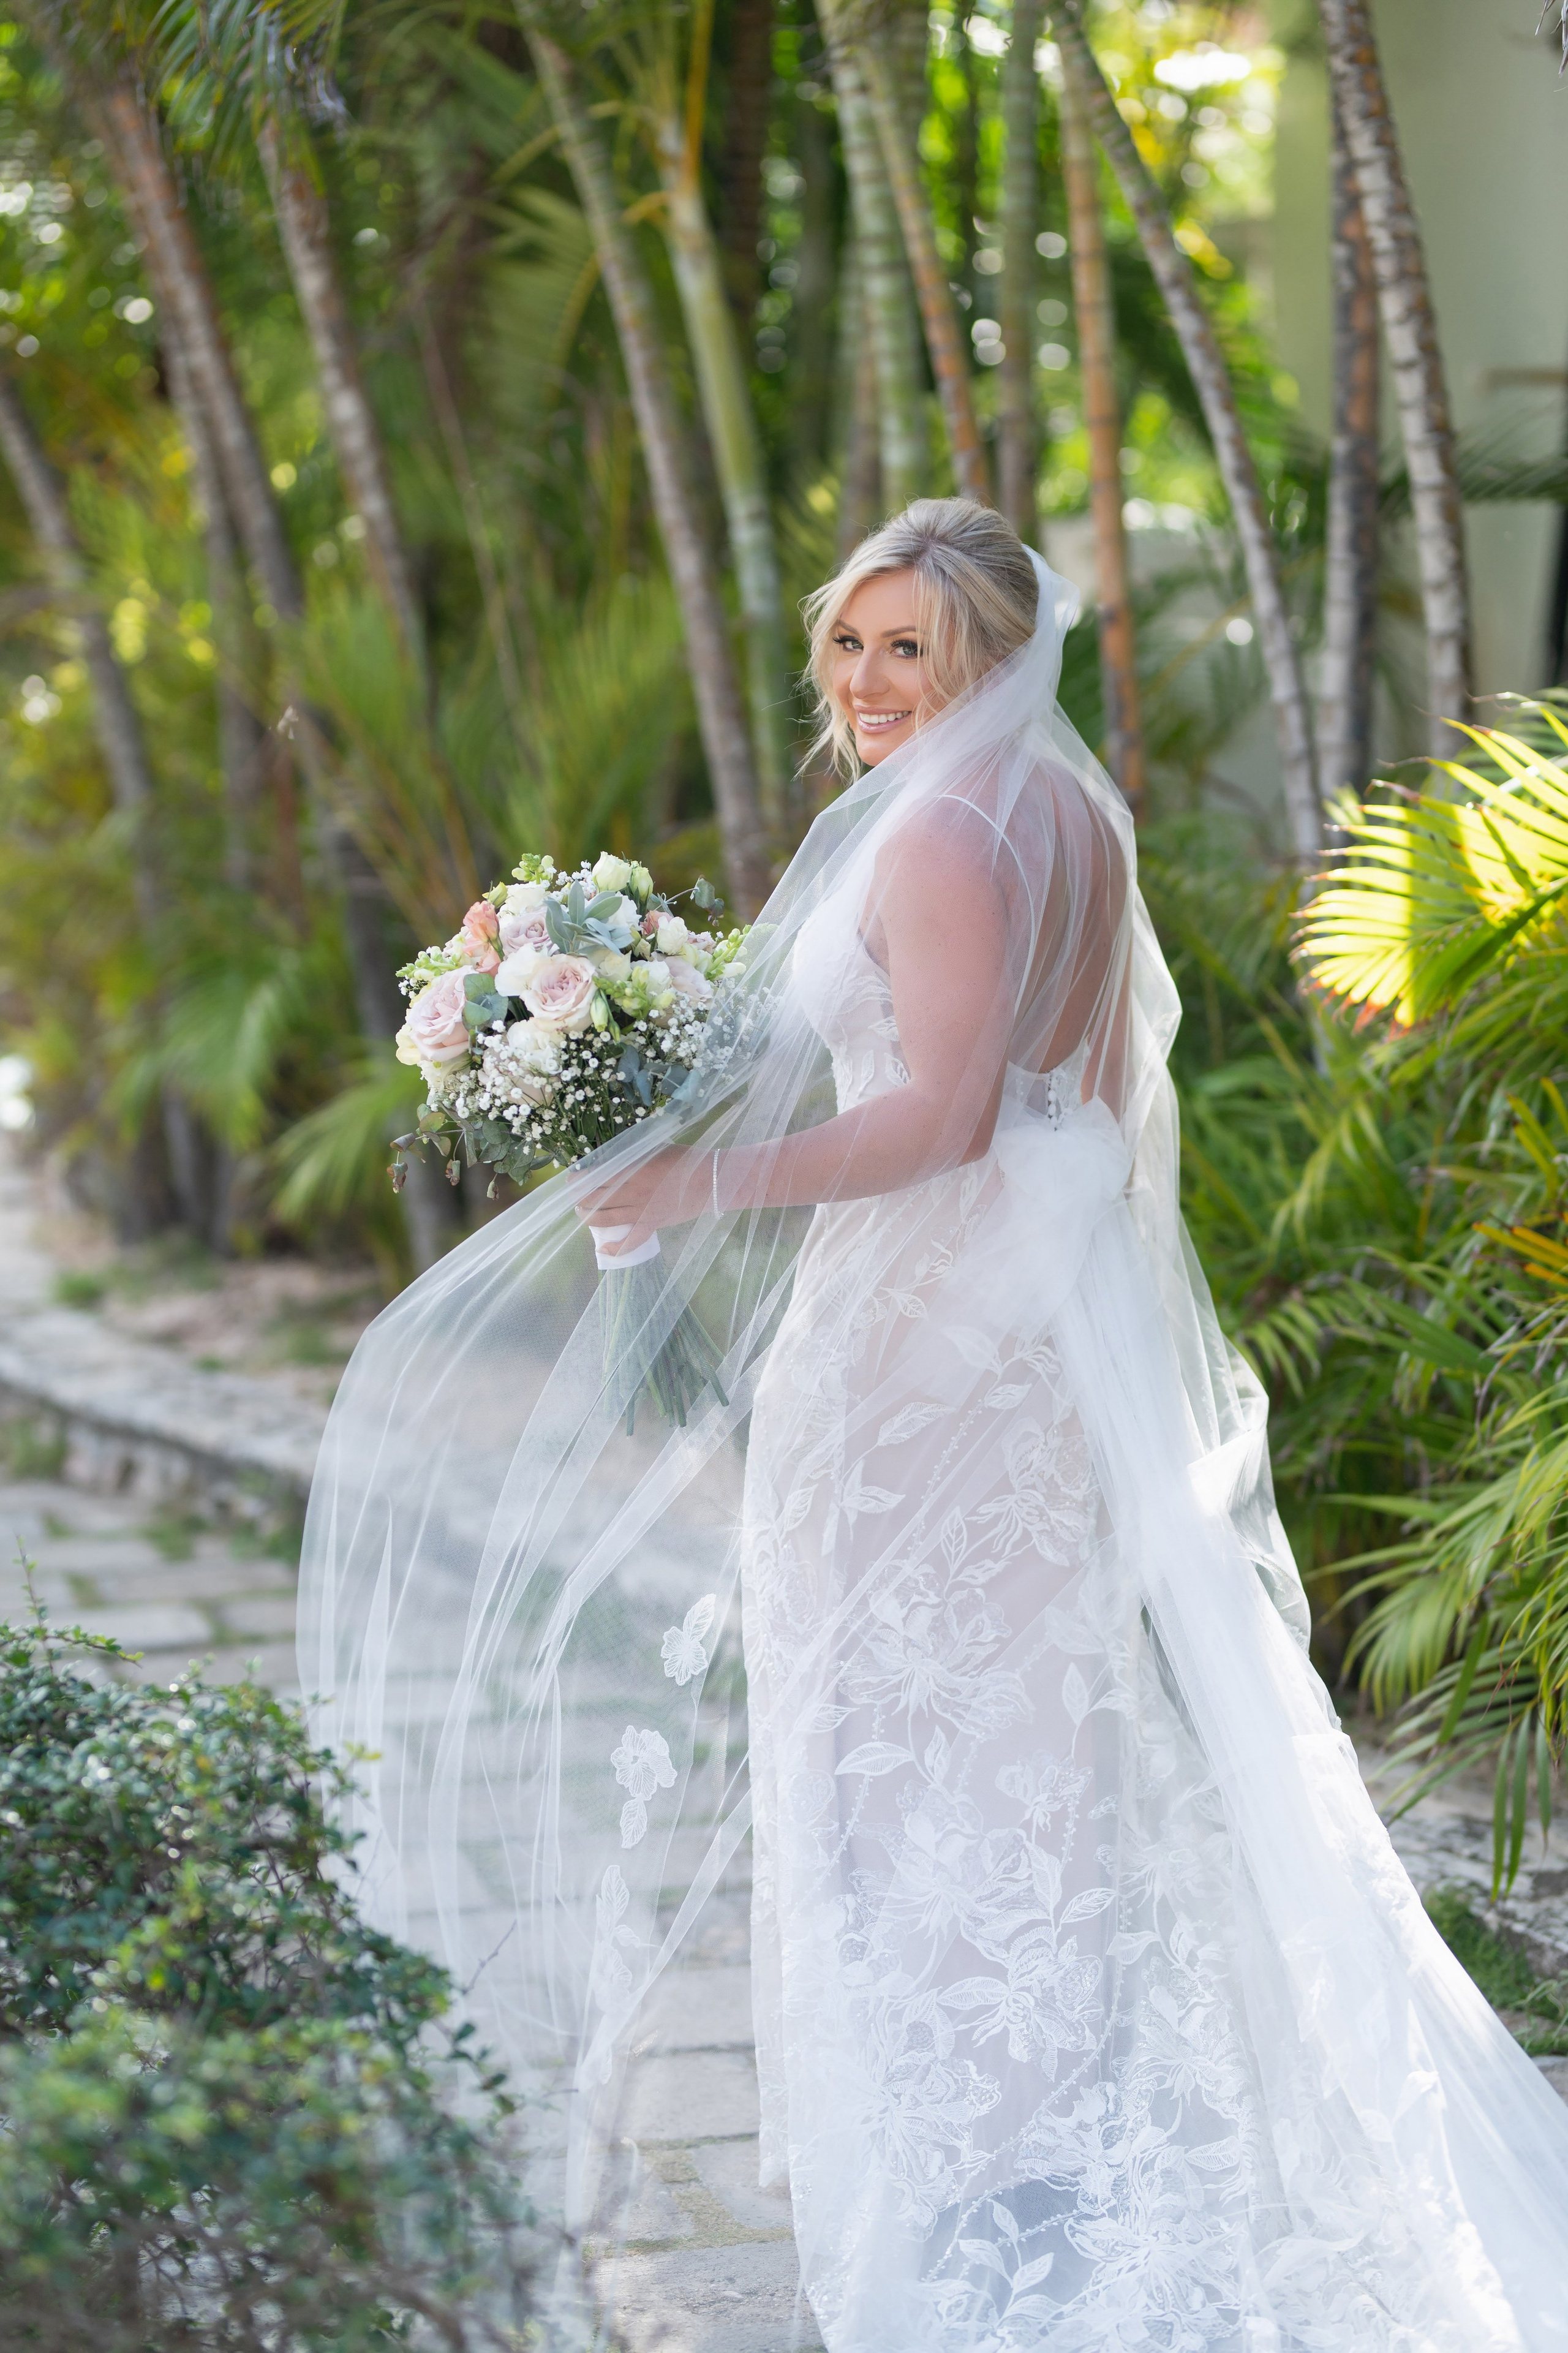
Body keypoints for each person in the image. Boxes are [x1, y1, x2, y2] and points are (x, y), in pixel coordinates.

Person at [299, 500, 1568, 2349]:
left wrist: (703, 1178)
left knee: (896, 1746)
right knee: (1020, 1730)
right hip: (1032, 1327)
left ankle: (963, 2169)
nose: (873, 682)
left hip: (913, 1340)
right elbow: (1103, 1090)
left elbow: (947, 1114)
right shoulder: (1069, 816)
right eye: (853, 643)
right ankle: (1027, 2139)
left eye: (913, 646)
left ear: (989, 653)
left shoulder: (944, 839)